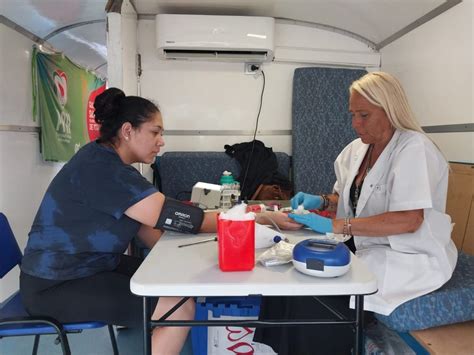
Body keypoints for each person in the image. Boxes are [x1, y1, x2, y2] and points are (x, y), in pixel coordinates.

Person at [255, 71, 458, 354]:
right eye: (352, 115)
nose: (355, 124)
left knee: (318, 296)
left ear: (389, 110)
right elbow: (349, 197)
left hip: (406, 255)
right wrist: (322, 201)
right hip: (359, 244)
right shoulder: (356, 149)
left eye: (364, 115)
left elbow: (410, 219)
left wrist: (339, 225)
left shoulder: (414, 148)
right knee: (287, 278)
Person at [19, 88, 218, 355]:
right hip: (56, 285)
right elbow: (176, 216)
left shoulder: (106, 161)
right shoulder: (104, 169)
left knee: (168, 280)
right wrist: (247, 218)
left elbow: (149, 229)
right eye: (155, 132)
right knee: (180, 307)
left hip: (90, 266)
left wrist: (181, 256)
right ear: (127, 131)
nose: (161, 141)